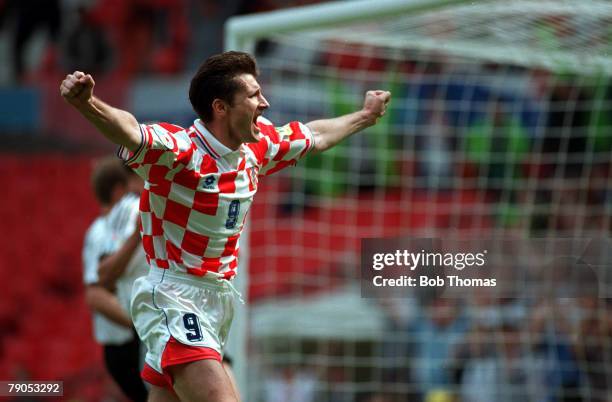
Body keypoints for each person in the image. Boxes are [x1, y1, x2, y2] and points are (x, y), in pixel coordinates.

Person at [62, 50, 390, 402]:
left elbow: (315, 135)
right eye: (252, 95)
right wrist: (88, 103)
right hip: (175, 296)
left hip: (218, 303)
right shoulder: (182, 152)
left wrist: (365, 117)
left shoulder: (257, 146)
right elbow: (131, 131)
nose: (264, 103)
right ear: (221, 107)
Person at [82, 156, 148, 402]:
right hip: (126, 343)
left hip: (128, 341)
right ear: (121, 188)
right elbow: (95, 293)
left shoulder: (106, 226)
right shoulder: (102, 230)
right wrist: (139, 327)